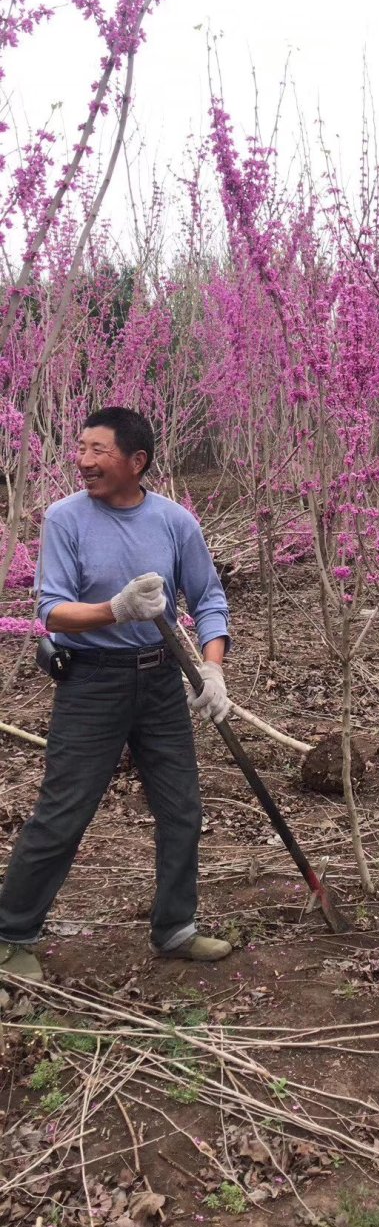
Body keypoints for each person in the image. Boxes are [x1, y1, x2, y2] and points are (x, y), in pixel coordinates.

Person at [0, 406, 234, 979]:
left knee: (182, 809)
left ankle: (175, 927)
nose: (84, 462)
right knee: (63, 812)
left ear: (137, 461)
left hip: (160, 679)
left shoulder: (175, 522)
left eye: (98, 452)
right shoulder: (65, 519)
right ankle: (10, 935)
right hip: (91, 683)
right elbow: (51, 610)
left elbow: (209, 600)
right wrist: (115, 609)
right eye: (81, 449)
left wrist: (212, 669)